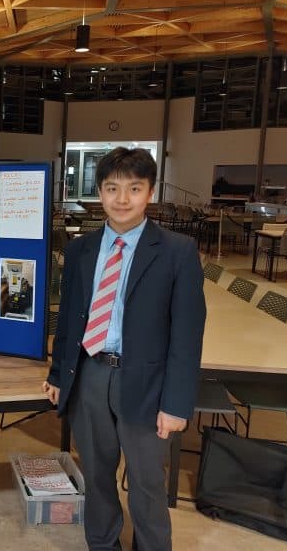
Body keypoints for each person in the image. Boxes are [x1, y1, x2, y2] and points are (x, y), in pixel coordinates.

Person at [42, 147, 205, 551]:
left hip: (147, 382)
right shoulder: (81, 249)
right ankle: (103, 543)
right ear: (99, 192)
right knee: (96, 476)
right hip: (90, 374)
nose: (122, 198)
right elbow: (70, 319)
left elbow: (187, 335)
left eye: (134, 188)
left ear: (150, 192)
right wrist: (58, 374)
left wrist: (177, 404)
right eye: (112, 188)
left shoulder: (178, 251)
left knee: (147, 482)